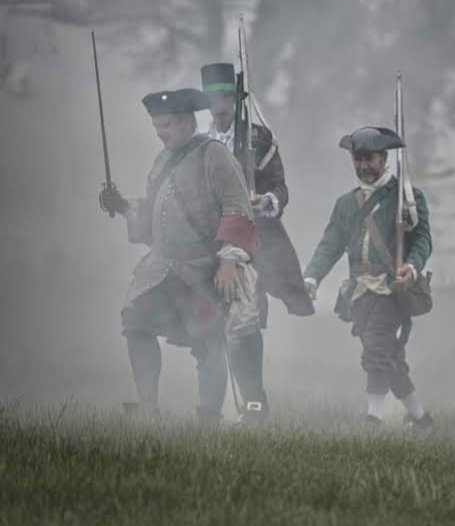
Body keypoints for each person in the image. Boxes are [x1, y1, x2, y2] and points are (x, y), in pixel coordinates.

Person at [99, 88, 258, 423]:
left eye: (167, 125)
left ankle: (210, 419)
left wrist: (229, 260)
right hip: (162, 267)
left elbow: (237, 206)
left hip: (203, 268)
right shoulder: (162, 161)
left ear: (188, 122)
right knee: (136, 321)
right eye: (157, 127)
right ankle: (148, 409)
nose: (161, 133)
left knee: (209, 341)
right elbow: (154, 220)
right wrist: (124, 206)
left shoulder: (213, 154)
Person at [200, 62, 313, 424]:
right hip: (206, 242)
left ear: (236, 99)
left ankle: (254, 404)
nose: (220, 104)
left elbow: (280, 187)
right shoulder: (197, 143)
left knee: (244, 319)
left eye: (226, 96)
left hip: (250, 240)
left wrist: (266, 201)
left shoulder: (259, 139)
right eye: (214, 97)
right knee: (209, 324)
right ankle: (210, 411)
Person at [302, 127, 433, 428]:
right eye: (357, 159)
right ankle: (421, 418)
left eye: (369, 159)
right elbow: (330, 244)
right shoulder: (346, 204)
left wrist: (411, 266)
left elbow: (423, 240)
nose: (363, 166)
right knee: (388, 357)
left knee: (376, 349)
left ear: (384, 158)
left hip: (392, 289)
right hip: (359, 292)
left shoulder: (407, 196)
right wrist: (311, 278)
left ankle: (373, 419)